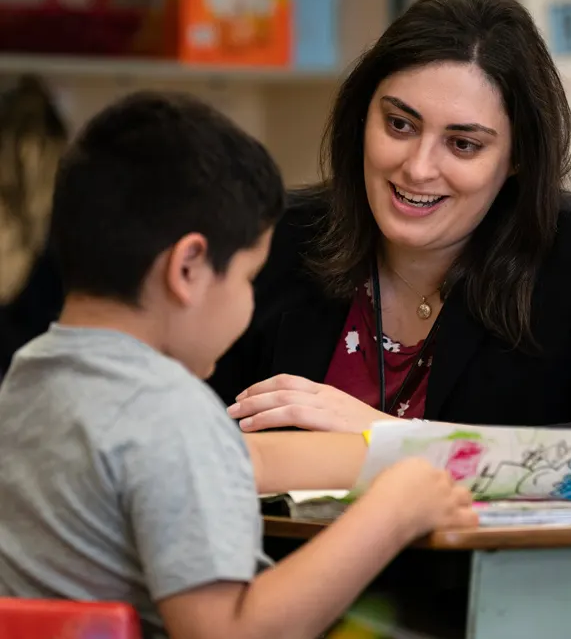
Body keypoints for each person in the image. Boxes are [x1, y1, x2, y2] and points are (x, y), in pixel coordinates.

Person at [0, 91, 476, 639]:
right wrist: (392, 515)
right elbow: (227, 632)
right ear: (189, 268)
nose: (250, 304)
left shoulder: (29, 375)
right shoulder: (173, 413)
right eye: (249, 279)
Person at [209, 0, 571, 507]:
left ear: (516, 158)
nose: (418, 168)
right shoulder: (276, 234)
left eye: (463, 144)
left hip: (493, 587)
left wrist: (398, 444)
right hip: (283, 580)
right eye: (399, 124)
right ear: (361, 118)